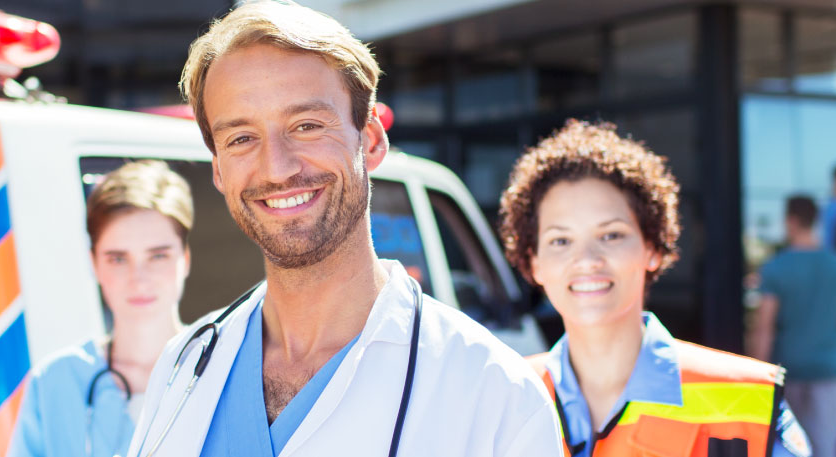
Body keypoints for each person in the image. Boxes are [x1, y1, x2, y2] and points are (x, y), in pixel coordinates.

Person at [125, 2, 562, 457]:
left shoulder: (495, 394)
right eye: (241, 138)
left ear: (370, 142)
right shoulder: (184, 364)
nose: (276, 168)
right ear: (219, 171)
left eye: (307, 125)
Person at [500, 120, 810, 457]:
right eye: (560, 240)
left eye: (611, 235)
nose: (587, 260)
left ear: (653, 248)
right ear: (534, 263)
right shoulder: (501, 395)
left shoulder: (751, 404)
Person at [8, 161, 192, 457]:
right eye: (118, 259)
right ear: (94, 263)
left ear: (185, 258)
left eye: (157, 256)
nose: (138, 278)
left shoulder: (226, 371)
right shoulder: (57, 381)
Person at [749, 195, 836, 457]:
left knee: (787, 448)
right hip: (831, 368)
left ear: (791, 221)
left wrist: (758, 375)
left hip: (788, 370)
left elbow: (764, 329)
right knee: (827, 448)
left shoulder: (775, 268)